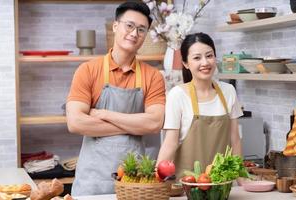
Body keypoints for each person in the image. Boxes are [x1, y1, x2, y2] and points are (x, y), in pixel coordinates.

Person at [66, 2, 166, 195]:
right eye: (129, 25)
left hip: (135, 182)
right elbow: (75, 123)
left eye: (141, 29)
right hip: (91, 183)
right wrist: (134, 126)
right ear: (115, 26)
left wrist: (104, 114)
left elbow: (154, 123)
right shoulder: (87, 70)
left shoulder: (153, 76)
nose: (134, 33)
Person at [157, 32, 243, 179]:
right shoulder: (177, 95)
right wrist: (156, 179)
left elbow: (235, 139)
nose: (205, 63)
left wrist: (241, 179)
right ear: (185, 63)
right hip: (188, 185)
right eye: (197, 58)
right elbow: (170, 143)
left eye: (209, 56)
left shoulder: (228, 91)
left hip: (221, 185)